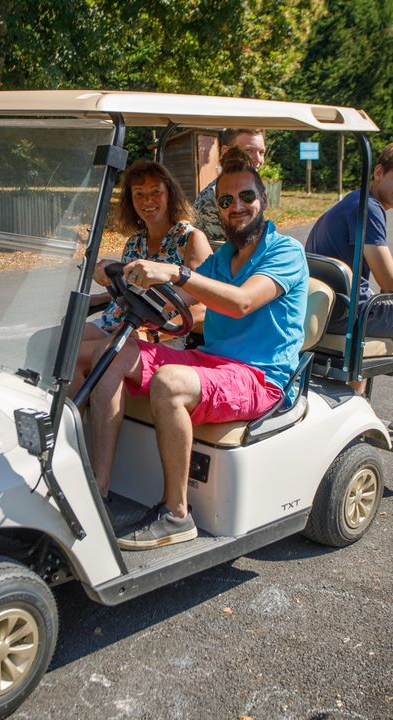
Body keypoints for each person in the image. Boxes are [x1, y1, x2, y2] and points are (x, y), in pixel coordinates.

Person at [90, 148, 308, 550]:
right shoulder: (223, 257)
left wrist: (177, 271)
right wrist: (117, 275)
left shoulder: (285, 252)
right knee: (112, 354)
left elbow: (241, 302)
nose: (236, 207)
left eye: (246, 197)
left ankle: (176, 514)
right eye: (226, 201)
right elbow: (175, 298)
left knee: (170, 382)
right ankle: (97, 493)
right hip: (211, 361)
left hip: (261, 376)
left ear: (263, 199)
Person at [304, 141, 393, 440]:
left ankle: (355, 406)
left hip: (328, 309)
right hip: (349, 315)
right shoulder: (368, 209)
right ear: (380, 172)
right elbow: (391, 282)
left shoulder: (353, 202)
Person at [74, 160, 212, 388]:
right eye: (139, 194)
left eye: (156, 192)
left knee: (74, 355)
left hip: (160, 334)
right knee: (50, 343)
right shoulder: (135, 242)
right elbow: (136, 290)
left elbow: (204, 307)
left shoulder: (190, 239)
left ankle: (71, 418)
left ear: (170, 194)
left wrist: (151, 334)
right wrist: (101, 296)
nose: (147, 200)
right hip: (118, 322)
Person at [193, 128, 266, 245]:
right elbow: (217, 253)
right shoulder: (212, 197)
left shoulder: (253, 191)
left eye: (261, 152)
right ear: (226, 151)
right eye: (248, 151)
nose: (258, 160)